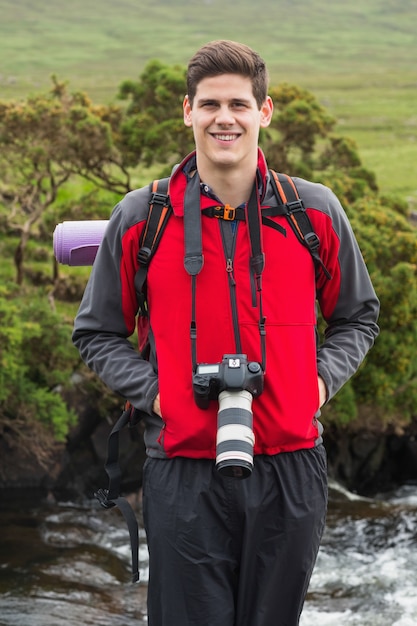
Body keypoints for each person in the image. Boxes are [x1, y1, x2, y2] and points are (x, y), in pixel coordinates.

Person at [73, 40, 380, 625]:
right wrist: (160, 394)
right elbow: (97, 332)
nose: (224, 118)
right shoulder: (144, 217)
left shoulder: (311, 212)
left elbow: (357, 317)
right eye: (210, 104)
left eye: (239, 104)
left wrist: (314, 385)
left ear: (264, 112)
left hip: (291, 466)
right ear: (187, 111)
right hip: (183, 465)